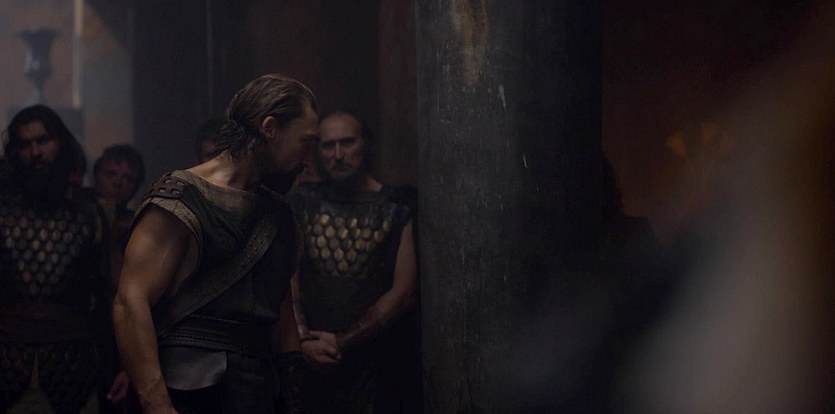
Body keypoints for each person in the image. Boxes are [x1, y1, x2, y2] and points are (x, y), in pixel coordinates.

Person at [113, 73, 319, 414]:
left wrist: (294, 399)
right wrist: (157, 405)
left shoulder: (279, 217)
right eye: (306, 142)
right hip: (187, 389)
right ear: (270, 128)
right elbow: (130, 303)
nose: (308, 159)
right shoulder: (180, 197)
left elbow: (283, 322)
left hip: (256, 392)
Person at [287, 109, 420, 414]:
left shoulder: (396, 206)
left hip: (375, 365)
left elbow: (404, 292)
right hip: (309, 362)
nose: (338, 154)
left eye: (347, 142)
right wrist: (303, 340)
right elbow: (287, 279)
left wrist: (343, 342)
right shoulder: (302, 202)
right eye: (328, 145)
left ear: (365, 144)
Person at [0, 104, 117, 413]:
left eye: (43, 140)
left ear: (60, 143)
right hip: (8, 368)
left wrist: (121, 365)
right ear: (15, 152)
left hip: (75, 368)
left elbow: (109, 296)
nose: (35, 152)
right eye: (25, 144)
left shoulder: (92, 213)